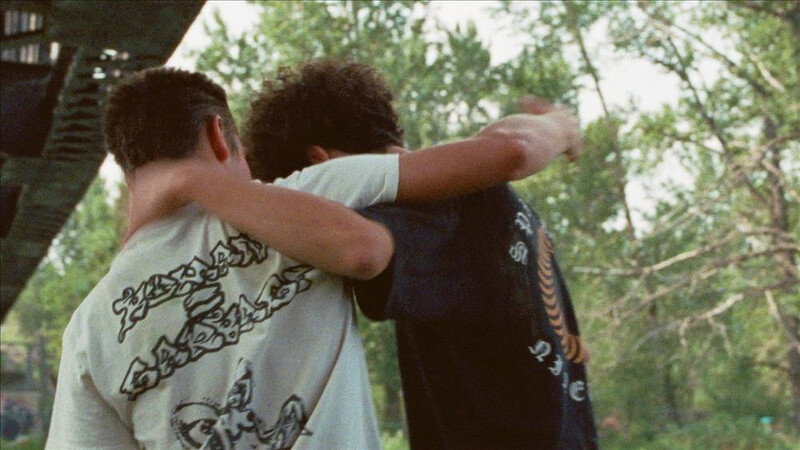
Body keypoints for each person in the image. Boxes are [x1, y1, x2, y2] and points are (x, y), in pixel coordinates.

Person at [47, 64, 582, 449]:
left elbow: (367, 245)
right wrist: (560, 125)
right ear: (218, 135)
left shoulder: (88, 327)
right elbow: (502, 150)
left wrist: (186, 183)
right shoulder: (312, 196)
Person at [242, 58, 599, 449]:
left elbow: (363, 251)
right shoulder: (476, 193)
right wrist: (559, 125)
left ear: (319, 164)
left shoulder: (423, 215)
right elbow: (506, 141)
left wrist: (219, 194)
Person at [46, 67, 398, 449]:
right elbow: (438, 172)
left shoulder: (89, 325)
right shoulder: (307, 202)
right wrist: (196, 180)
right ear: (219, 136)